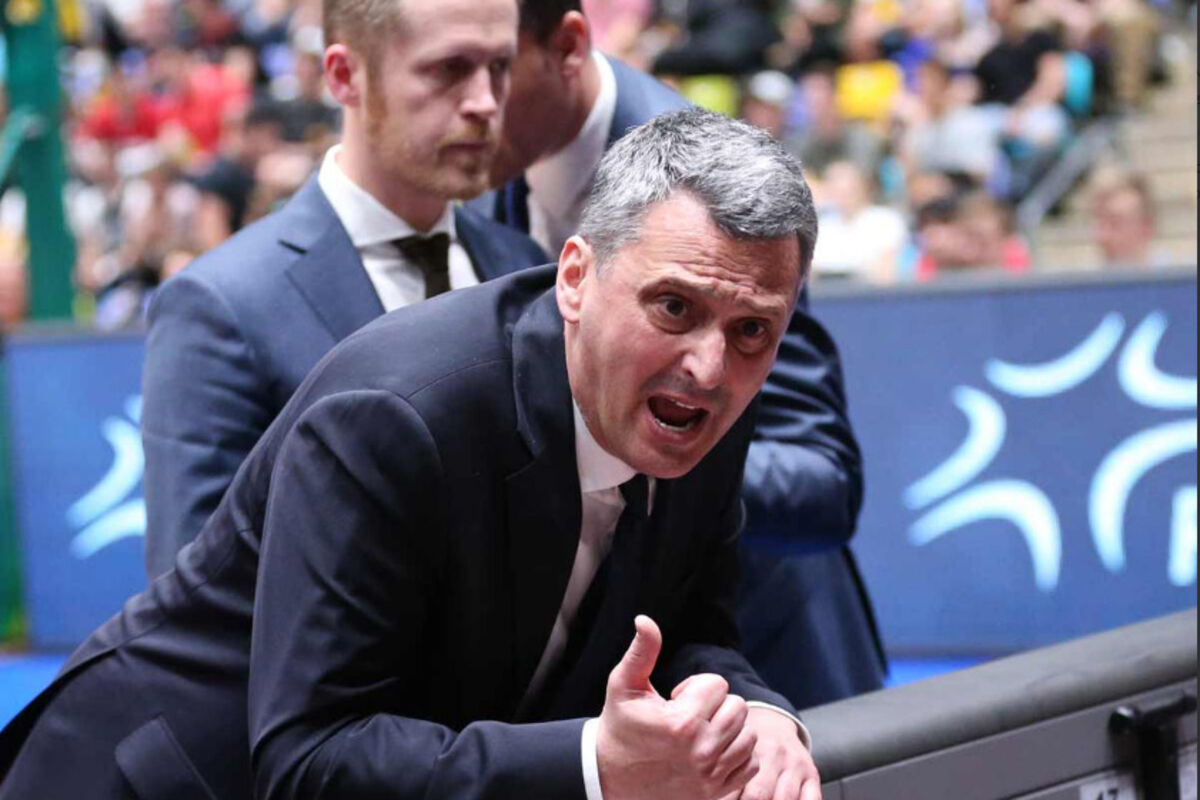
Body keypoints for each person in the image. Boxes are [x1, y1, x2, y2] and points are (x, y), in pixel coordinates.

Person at [0, 108, 822, 800]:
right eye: (673, 307)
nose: (709, 366)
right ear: (575, 278)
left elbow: (691, 627)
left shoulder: (711, 396)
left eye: (754, 328)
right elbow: (309, 758)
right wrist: (593, 764)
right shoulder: (393, 416)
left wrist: (755, 712)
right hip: (156, 781)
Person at [477, 0, 885, 709]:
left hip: (763, 657)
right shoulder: (488, 176)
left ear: (566, 46)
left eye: (491, 67)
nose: (468, 103)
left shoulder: (713, 174)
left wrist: (623, 457)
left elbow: (822, 481)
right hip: (589, 695)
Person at [139, 0, 548, 578]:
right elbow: (195, 593)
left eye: (500, 67)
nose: (485, 100)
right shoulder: (221, 305)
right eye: (449, 68)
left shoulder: (525, 268)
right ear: (344, 75)